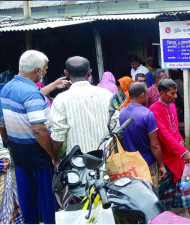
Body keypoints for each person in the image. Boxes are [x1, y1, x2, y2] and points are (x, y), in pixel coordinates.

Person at [1, 50, 57, 223]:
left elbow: (2, 124)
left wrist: (10, 143)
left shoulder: (6, 88)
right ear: (38, 71)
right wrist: (53, 156)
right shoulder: (32, 93)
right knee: (48, 203)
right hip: (39, 154)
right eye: (45, 69)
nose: (46, 72)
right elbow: (39, 128)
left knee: (27, 201)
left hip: (19, 154)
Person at [149, 79, 190, 220]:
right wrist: (183, 151)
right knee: (165, 192)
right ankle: (164, 219)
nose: (176, 96)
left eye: (176, 93)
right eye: (173, 93)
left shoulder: (172, 106)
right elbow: (164, 134)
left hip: (177, 153)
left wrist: (181, 143)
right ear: (162, 93)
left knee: (186, 186)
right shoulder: (154, 110)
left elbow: (175, 130)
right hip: (166, 156)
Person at [50, 56, 117, 155]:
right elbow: (115, 126)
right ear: (89, 72)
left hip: (77, 162)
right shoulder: (106, 94)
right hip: (105, 158)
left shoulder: (60, 99)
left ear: (66, 73)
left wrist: (56, 160)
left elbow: (58, 135)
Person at [120, 82, 166, 185]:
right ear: (141, 96)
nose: (147, 97)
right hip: (147, 163)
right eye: (146, 94)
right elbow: (154, 145)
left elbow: (121, 140)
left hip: (129, 164)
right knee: (150, 194)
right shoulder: (147, 114)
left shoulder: (121, 113)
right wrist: (161, 165)